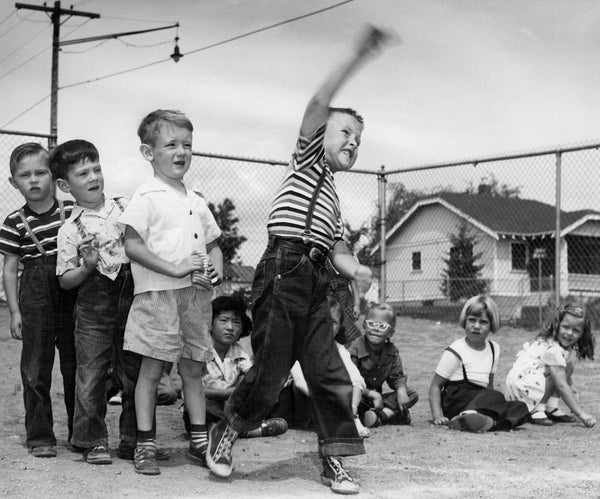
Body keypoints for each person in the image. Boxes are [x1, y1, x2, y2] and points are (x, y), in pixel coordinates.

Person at [206, 26, 393, 495]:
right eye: (345, 131)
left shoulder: (332, 196)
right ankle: (226, 431)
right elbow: (318, 103)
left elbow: (338, 248)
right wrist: (356, 55)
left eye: (359, 138)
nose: (353, 142)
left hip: (317, 281)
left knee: (328, 371)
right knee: (270, 367)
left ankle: (334, 459)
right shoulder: (307, 162)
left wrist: (357, 270)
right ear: (320, 135)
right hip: (283, 269)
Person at [119, 109, 223, 476]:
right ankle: (145, 445)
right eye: (171, 145)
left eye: (187, 145)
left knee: (193, 368)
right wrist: (175, 268)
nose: (181, 152)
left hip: (196, 297)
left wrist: (218, 268)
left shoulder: (196, 198)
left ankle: (198, 442)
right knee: (151, 370)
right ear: (149, 152)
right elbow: (132, 244)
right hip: (158, 295)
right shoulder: (146, 196)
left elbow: (213, 244)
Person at [52, 139, 138, 465]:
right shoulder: (69, 229)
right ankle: (92, 440)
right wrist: (87, 266)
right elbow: (64, 279)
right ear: (64, 185)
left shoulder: (124, 205)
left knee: (134, 371)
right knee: (90, 373)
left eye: (96, 168)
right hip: (93, 304)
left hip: (131, 296)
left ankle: (134, 439)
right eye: (82, 173)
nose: (93, 177)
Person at [0, 142, 76, 458]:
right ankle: (40, 435)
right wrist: (14, 311)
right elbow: (9, 268)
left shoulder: (71, 211)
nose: (34, 180)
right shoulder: (13, 222)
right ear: (13, 182)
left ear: (54, 176)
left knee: (76, 366)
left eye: (41, 172)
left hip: (72, 291)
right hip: (34, 293)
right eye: (25, 175)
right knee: (35, 368)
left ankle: (83, 433)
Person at [182, 295, 288, 438]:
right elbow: (189, 390)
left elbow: (252, 377)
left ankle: (226, 431)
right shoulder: (197, 350)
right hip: (206, 407)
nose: (230, 328)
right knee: (201, 406)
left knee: (266, 396)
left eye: (236, 323)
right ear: (209, 323)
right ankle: (250, 430)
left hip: (231, 406)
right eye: (223, 321)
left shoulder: (238, 352)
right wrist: (230, 392)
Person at [429, 295, 529, 433]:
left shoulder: (494, 349)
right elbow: (435, 386)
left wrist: (494, 405)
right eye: (472, 320)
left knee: (520, 407)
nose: (476, 326)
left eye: (483, 322)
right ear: (465, 321)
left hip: (481, 399)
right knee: (495, 396)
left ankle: (487, 423)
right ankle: (465, 417)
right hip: (457, 401)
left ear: (492, 324)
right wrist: (438, 416)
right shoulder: (456, 350)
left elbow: (489, 385)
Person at [290, 295, 370, 437]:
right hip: (299, 401)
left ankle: (351, 419)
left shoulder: (338, 349)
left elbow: (357, 380)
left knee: (349, 387)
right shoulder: (298, 347)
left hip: (327, 401)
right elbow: (300, 382)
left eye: (332, 322)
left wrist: (352, 406)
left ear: (339, 328)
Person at [505, 304, 596, 428]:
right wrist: (581, 413)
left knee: (568, 367)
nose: (569, 333)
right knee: (558, 374)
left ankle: (550, 407)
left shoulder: (559, 346)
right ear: (556, 326)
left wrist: (571, 385)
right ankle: (537, 409)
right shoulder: (553, 349)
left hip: (527, 383)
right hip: (522, 388)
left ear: (582, 334)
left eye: (576, 330)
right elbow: (561, 385)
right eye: (565, 327)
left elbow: (564, 376)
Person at [348, 303, 418, 428]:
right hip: (357, 397)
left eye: (382, 326)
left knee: (411, 394)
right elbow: (348, 381)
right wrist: (373, 394)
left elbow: (396, 377)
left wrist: (401, 391)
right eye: (371, 324)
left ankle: (379, 416)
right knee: (347, 401)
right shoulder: (355, 349)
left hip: (378, 401)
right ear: (364, 325)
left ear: (390, 333)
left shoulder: (391, 352)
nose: (375, 329)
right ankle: (392, 415)